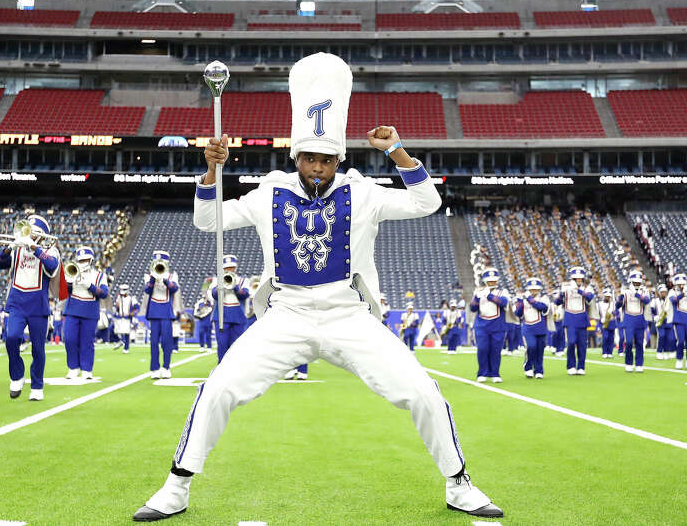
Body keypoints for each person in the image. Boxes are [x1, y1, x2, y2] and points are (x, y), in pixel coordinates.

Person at [132, 53, 501, 522]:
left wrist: (396, 151)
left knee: (423, 392)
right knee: (218, 387)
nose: (318, 167)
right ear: (296, 156)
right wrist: (211, 171)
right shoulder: (269, 190)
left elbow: (427, 202)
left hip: (350, 316)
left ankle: (459, 483)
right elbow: (208, 222)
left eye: (327, 159)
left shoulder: (363, 190)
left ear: (338, 159)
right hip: (286, 316)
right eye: (310, 157)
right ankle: (176, 487)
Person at [0, 214, 61, 400]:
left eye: (34, 232)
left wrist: (35, 248)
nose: (29, 235)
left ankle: (37, 386)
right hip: (17, 303)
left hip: (38, 304)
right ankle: (17, 375)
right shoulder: (17, 249)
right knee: (11, 338)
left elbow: (52, 266)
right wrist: (8, 249)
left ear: (42, 235)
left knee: (38, 348)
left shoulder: (50, 250)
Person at [62, 246, 108, 380]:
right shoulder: (71, 272)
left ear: (91, 260)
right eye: (80, 260)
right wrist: (69, 282)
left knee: (87, 342)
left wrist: (90, 286)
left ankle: (87, 369)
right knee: (70, 339)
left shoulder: (99, 275)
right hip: (72, 310)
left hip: (90, 311)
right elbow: (64, 292)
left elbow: (104, 294)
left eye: (85, 260)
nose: (83, 263)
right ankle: (73, 368)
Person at [140, 251, 182, 379]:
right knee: (153, 342)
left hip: (166, 312)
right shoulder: (148, 276)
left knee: (166, 341)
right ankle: (155, 368)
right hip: (154, 311)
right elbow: (147, 290)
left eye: (161, 263)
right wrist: (153, 279)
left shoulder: (172, 276)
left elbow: (174, 289)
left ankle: (166, 367)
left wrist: (164, 279)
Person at [554, 267, 596, 376]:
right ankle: (571, 366)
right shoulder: (566, 287)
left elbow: (590, 297)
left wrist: (578, 290)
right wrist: (562, 294)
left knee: (582, 344)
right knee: (571, 342)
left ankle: (581, 366)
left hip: (582, 318)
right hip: (570, 318)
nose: (578, 280)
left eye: (580, 278)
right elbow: (557, 302)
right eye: (576, 278)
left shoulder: (587, 288)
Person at [470, 267, 508, 383]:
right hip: (482, 325)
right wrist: (476, 297)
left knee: (496, 350)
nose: (492, 282)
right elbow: (473, 308)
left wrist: (489, 296)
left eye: (494, 280)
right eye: (489, 280)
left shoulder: (503, 292)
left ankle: (495, 373)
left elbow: (503, 303)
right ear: (485, 281)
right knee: (482, 348)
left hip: (498, 325)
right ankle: (482, 372)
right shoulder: (479, 291)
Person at [209, 254, 249, 363]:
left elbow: (244, 295)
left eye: (231, 267)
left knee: (236, 347)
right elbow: (214, 295)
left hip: (238, 317)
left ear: (235, 268)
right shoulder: (216, 280)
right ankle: (221, 369)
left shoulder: (243, 280)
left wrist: (234, 285)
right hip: (221, 317)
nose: (229, 270)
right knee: (222, 345)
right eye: (226, 268)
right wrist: (221, 284)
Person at [617, 270, 649, 373]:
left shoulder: (644, 290)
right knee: (629, 342)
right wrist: (621, 296)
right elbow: (618, 305)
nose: (637, 283)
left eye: (638, 282)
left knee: (639, 343)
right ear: (631, 281)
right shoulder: (626, 290)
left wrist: (636, 294)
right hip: (629, 319)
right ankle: (629, 363)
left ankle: (639, 364)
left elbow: (647, 301)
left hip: (640, 318)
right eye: (635, 282)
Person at [516, 278, 549, 379]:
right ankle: (528, 366)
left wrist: (530, 299)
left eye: (536, 289)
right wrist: (520, 302)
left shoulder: (544, 298)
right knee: (531, 346)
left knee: (540, 349)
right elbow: (518, 313)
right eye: (531, 289)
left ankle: (539, 370)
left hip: (540, 327)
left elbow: (542, 307)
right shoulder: (523, 299)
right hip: (528, 327)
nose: (534, 291)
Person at [113, 284, 140, 353]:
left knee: (126, 332)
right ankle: (121, 341)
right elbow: (117, 308)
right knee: (114, 330)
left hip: (127, 317)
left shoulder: (132, 298)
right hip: (119, 317)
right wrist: (117, 307)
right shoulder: (118, 298)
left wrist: (133, 313)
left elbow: (137, 308)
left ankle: (126, 348)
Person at [669, 273, 687, 369]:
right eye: (679, 284)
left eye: (683, 284)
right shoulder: (673, 292)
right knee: (680, 341)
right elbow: (673, 301)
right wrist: (682, 294)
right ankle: (679, 359)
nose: (681, 285)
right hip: (679, 320)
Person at [651, 285, 673, 360]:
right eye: (662, 292)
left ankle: (666, 351)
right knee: (662, 335)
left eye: (665, 292)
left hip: (668, 320)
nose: (663, 293)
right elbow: (651, 311)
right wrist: (654, 316)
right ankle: (659, 352)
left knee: (668, 337)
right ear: (659, 293)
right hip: (660, 321)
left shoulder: (669, 300)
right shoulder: (655, 301)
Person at [599, 289, 619, 359]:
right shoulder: (599, 304)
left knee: (611, 338)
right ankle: (604, 352)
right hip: (604, 322)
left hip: (612, 322)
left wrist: (615, 312)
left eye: (608, 296)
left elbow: (617, 313)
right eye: (606, 296)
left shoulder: (613, 303)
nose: (607, 297)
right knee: (605, 337)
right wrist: (599, 323)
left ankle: (610, 352)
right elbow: (599, 314)